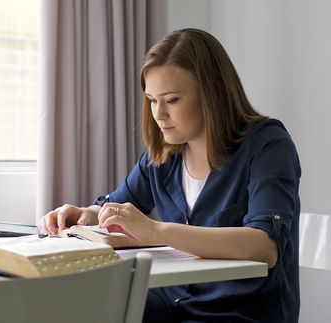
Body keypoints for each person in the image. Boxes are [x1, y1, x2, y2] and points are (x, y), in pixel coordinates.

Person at [40, 28, 300, 323]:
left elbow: (264, 248)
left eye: (172, 100)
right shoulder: (165, 155)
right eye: (152, 99)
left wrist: (155, 231)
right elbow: (117, 204)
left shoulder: (268, 145)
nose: (158, 114)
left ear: (212, 94)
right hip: (169, 303)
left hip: (239, 312)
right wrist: (86, 215)